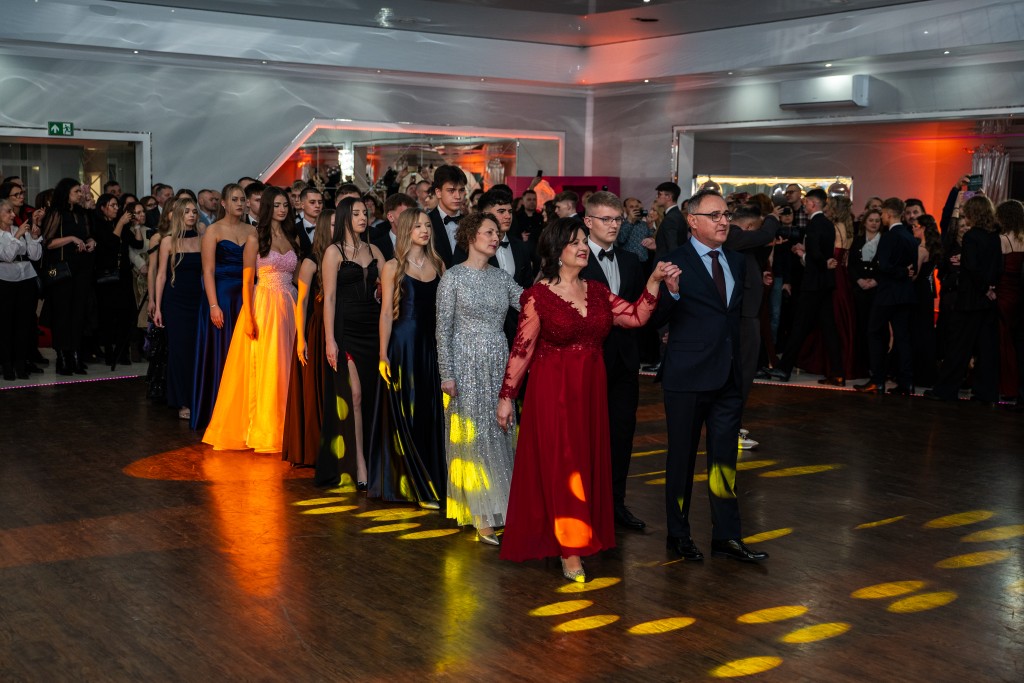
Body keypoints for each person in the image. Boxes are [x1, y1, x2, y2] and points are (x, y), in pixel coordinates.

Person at [497, 217, 676, 581]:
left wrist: (654, 282)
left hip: (591, 391)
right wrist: (507, 397)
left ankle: (571, 535)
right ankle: (571, 549)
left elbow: (636, 317)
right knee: (564, 466)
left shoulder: (596, 290)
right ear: (555, 250)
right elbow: (522, 349)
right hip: (553, 391)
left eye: (583, 241)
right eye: (575, 242)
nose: (583, 247)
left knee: (585, 463)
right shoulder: (538, 296)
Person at [654, 189, 768, 564]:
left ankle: (727, 536)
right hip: (687, 377)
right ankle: (678, 534)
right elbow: (654, 318)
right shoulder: (672, 261)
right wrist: (670, 294)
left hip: (728, 377)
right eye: (714, 215)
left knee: (724, 460)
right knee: (682, 459)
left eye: (726, 215)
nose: (723, 222)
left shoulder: (736, 260)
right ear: (692, 221)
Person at [435, 212, 523, 546]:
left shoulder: (501, 278)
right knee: (472, 436)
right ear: (471, 236)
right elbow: (442, 330)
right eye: (489, 232)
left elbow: (529, 303)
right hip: (464, 363)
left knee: (500, 432)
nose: (495, 238)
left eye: (497, 233)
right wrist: (447, 373)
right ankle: (481, 515)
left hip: (498, 361)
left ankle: (505, 506)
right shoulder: (453, 277)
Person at [203, 187, 299, 451]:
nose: (282, 210)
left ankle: (288, 426)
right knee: (268, 365)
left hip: (289, 304)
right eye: (277, 205)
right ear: (268, 207)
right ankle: (266, 430)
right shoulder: (256, 237)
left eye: (285, 205)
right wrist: (248, 317)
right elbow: (247, 281)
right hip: (264, 304)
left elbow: (299, 276)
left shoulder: (292, 236)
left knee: (287, 364)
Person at [372, 209, 446, 507]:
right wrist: (383, 354)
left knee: (430, 411)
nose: (424, 230)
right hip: (403, 345)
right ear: (406, 230)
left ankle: (431, 479)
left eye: (427, 225)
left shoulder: (438, 264)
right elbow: (385, 314)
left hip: (431, 346)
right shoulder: (393, 266)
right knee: (409, 410)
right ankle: (415, 485)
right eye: (417, 226)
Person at [318, 197, 384, 488]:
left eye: (365, 213)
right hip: (346, 328)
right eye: (356, 213)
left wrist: (382, 292)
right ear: (345, 216)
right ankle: (358, 465)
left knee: (371, 396)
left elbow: (389, 284)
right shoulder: (333, 252)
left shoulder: (374, 249)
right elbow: (329, 298)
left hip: (373, 328)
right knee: (354, 395)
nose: (362, 217)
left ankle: (373, 458)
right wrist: (329, 340)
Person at [282, 210, 348, 471]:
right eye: (332, 224)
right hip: (317, 329)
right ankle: (315, 449)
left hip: (341, 326)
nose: (337, 227)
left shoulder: (346, 255)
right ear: (322, 227)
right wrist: (301, 339)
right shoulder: (311, 261)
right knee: (316, 389)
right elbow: (301, 302)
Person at [925, 196, 1003, 404]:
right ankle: (986, 393)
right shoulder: (994, 237)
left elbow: (971, 267)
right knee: (986, 349)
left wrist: (984, 288)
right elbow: (998, 267)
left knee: (958, 347)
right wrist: (991, 288)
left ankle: (945, 390)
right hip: (988, 300)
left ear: (972, 213)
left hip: (969, 300)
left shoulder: (971, 237)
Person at [189, 183, 253, 431]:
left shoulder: (252, 230)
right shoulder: (213, 230)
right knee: (222, 353)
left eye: (242, 199)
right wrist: (213, 305)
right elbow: (207, 271)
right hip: (222, 298)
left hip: (246, 296)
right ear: (224, 203)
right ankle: (220, 414)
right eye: (235, 199)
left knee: (246, 354)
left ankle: (244, 413)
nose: (240, 203)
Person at [767, 188, 844, 385]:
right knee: (828, 328)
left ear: (813, 204)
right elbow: (823, 253)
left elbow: (817, 255)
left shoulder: (814, 224)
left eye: (806, 202)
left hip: (813, 284)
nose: (804, 205)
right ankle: (837, 372)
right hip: (825, 283)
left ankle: (784, 369)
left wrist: (803, 254)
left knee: (799, 326)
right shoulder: (827, 224)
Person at [854, 198, 918, 396]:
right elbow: (913, 268)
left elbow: (883, 266)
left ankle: (877, 380)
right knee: (903, 337)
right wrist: (904, 272)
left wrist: (899, 271)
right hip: (905, 294)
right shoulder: (909, 236)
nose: (881, 217)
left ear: (889, 214)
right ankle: (907, 383)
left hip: (888, 294)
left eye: (882, 214)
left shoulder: (889, 236)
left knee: (874, 333)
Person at [153, 199, 203, 419]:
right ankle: (182, 401)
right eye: (187, 211)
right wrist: (157, 307)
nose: (191, 215)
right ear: (179, 215)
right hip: (175, 302)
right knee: (179, 351)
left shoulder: (202, 239)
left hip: (198, 300)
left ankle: (198, 398)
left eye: (194, 211)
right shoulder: (167, 241)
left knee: (197, 350)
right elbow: (161, 275)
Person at [42, 178, 96, 376]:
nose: (80, 195)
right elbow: (48, 242)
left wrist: (91, 241)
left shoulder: (81, 213)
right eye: (76, 191)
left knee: (78, 314)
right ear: (66, 193)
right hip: (62, 269)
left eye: (80, 191)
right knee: (62, 314)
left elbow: (88, 234)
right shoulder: (56, 212)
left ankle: (75, 355)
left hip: (81, 268)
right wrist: (71, 239)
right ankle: (62, 357)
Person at [0, 199, 43, 380]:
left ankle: (21, 364)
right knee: (5, 325)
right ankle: (7, 365)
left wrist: (33, 237)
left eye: (13, 211)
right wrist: (17, 236)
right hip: (5, 280)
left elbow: (35, 255)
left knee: (24, 324)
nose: (13, 214)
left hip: (26, 278)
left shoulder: (18, 229)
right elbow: (7, 256)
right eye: (8, 211)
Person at [995, 199, 1024, 402]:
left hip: (1003, 294)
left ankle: (1006, 385)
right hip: (1019, 295)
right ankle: (1017, 386)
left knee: (1002, 341)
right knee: (1015, 341)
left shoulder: (1002, 239)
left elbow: (996, 270)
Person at [848, 208, 882, 376]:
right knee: (860, 326)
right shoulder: (857, 240)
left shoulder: (884, 241)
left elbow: (886, 265)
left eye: (877, 221)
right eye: (871, 220)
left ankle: (874, 365)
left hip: (877, 290)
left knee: (874, 328)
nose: (874, 223)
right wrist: (859, 280)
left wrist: (876, 280)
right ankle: (860, 365)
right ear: (865, 222)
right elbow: (851, 264)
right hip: (859, 289)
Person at [910, 213, 942, 388]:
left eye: (915, 226)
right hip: (928, 292)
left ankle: (919, 374)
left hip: (919, 292)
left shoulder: (921, 249)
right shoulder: (932, 248)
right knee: (926, 332)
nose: (913, 228)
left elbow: (913, 276)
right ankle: (928, 374)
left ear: (923, 228)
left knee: (917, 333)